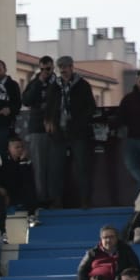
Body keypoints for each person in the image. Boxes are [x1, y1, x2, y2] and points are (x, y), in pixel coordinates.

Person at [55, 57, 99, 207]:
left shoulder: (82, 85)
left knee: (81, 169)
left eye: (65, 67)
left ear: (72, 67)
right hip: (59, 134)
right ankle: (59, 202)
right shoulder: (55, 86)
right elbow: (49, 107)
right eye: (60, 67)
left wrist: (79, 121)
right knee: (58, 169)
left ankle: (85, 201)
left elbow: (91, 107)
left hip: (78, 133)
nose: (63, 70)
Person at [23, 56, 62, 210]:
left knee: (55, 167)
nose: (46, 72)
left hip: (56, 130)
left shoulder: (59, 84)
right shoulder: (34, 83)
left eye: (49, 69)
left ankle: (55, 200)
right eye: (43, 69)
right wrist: (39, 82)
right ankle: (41, 200)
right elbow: (26, 100)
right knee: (39, 167)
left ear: (53, 68)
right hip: (37, 129)